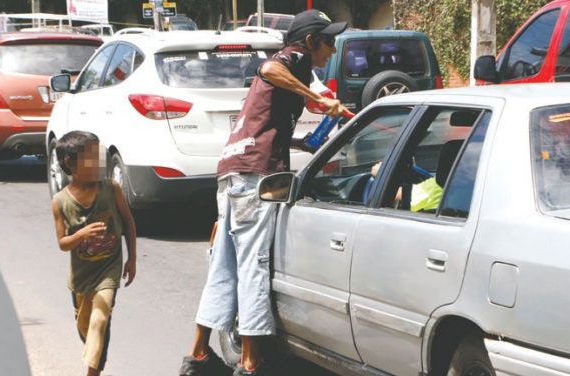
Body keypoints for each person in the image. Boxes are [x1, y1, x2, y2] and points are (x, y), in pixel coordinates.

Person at [179, 9, 349, 376]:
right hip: (255, 178)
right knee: (253, 267)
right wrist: (316, 99)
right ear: (309, 41)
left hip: (233, 173)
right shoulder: (292, 59)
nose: (332, 51)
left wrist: (312, 138)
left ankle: (198, 355)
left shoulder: (298, 69)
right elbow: (269, 69)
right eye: (329, 42)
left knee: (224, 268)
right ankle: (250, 363)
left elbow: (272, 124)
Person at [50, 131, 137, 376]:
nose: (100, 162)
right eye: (92, 157)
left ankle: (91, 373)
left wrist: (132, 259)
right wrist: (81, 235)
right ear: (70, 164)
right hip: (81, 278)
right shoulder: (60, 201)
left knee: (100, 319)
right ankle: (95, 359)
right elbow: (63, 243)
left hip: (108, 269)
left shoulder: (111, 189)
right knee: (87, 329)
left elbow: (129, 222)